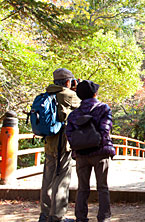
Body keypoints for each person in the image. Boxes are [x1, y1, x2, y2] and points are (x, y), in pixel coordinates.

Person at [66, 80, 115, 222]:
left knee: (82, 188)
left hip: (81, 155)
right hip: (100, 153)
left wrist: (79, 145)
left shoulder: (74, 114)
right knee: (102, 187)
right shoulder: (103, 108)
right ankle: (104, 217)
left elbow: (69, 133)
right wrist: (98, 142)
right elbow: (106, 129)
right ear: (95, 93)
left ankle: (81, 217)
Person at [38, 68, 81, 222]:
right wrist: (78, 90)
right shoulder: (68, 95)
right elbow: (85, 105)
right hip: (63, 144)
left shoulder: (47, 94)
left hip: (49, 142)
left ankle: (45, 214)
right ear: (68, 82)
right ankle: (57, 217)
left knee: (48, 178)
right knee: (62, 178)